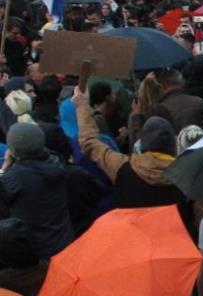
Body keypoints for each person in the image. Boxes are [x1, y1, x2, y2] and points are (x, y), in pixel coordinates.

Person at [73, 87, 188, 212]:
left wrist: (82, 106)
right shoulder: (187, 176)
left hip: (130, 230)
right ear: (172, 145)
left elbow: (90, 143)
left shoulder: (122, 166)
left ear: (143, 142)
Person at [0, 123, 73, 259]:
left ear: (13, 150)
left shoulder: (15, 178)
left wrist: (4, 168)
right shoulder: (57, 162)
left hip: (38, 251)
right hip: (65, 242)